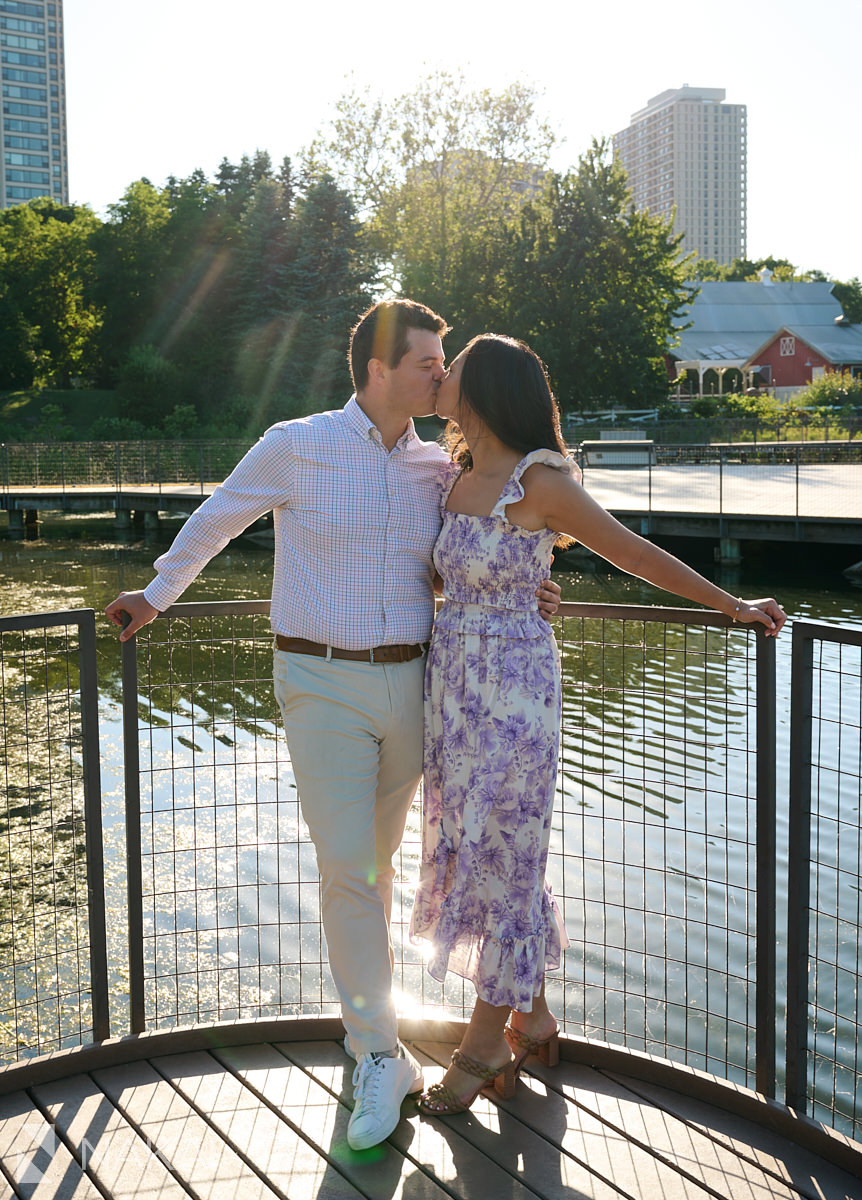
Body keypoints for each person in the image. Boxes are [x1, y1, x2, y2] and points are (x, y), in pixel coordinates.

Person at [104, 301, 560, 1151]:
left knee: (386, 870)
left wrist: (524, 589)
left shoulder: (436, 468)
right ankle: (379, 1053)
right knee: (349, 872)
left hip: (419, 688)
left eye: (445, 360)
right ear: (380, 369)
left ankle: (498, 1014)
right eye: (429, 360)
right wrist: (155, 594)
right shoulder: (297, 441)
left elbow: (473, 555)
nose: (441, 373)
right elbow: (217, 518)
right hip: (320, 684)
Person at [409, 333, 786, 1115]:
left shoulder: (538, 481)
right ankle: (535, 1016)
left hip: (514, 694)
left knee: (503, 854)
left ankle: (482, 1046)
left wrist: (733, 605)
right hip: (452, 692)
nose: (439, 380)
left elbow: (633, 554)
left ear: (482, 393)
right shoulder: (452, 476)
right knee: (482, 845)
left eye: (453, 373)